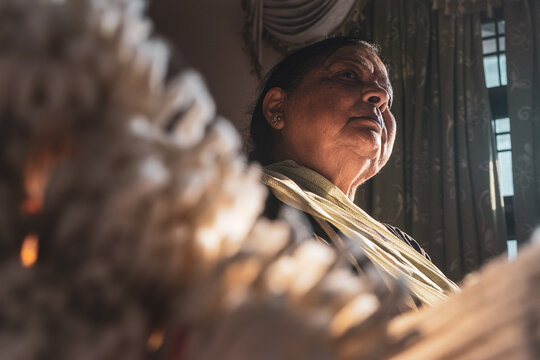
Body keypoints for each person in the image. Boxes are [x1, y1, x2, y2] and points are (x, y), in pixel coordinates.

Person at [248, 37, 459, 308]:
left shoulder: (402, 244)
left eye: (387, 100)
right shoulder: (237, 204)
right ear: (277, 107)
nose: (381, 98)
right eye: (348, 74)